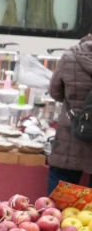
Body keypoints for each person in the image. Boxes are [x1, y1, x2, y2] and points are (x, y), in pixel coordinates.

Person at [48, 35, 92, 191]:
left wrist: (73, 104)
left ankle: (58, 206)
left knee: (62, 184)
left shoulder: (69, 57)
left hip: (71, 131)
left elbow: (54, 91)